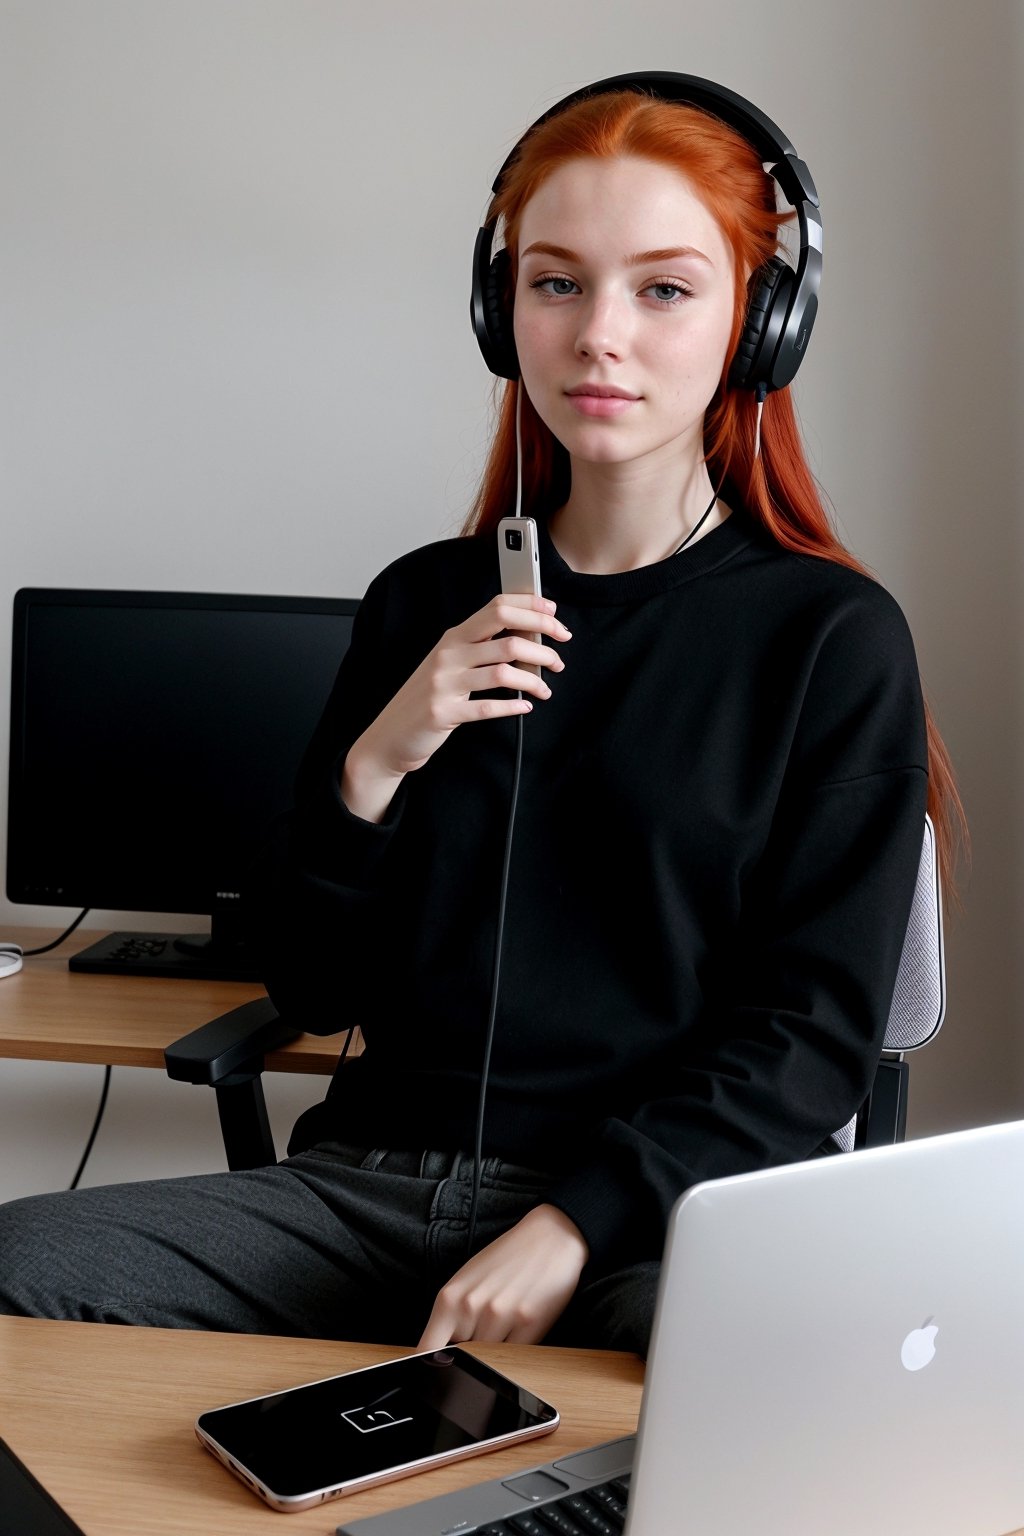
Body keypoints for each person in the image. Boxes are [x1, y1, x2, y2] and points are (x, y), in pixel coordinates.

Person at [0, 75, 961, 1357]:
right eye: (556, 283)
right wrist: (380, 759)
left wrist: (569, 1223)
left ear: (759, 321)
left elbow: (808, 1042)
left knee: (755, 1360)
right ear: (499, 310)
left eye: (663, 288)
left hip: (646, 1220)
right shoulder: (423, 605)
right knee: (16, 1269)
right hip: (362, 1195)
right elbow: (310, 981)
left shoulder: (829, 639)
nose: (598, 335)